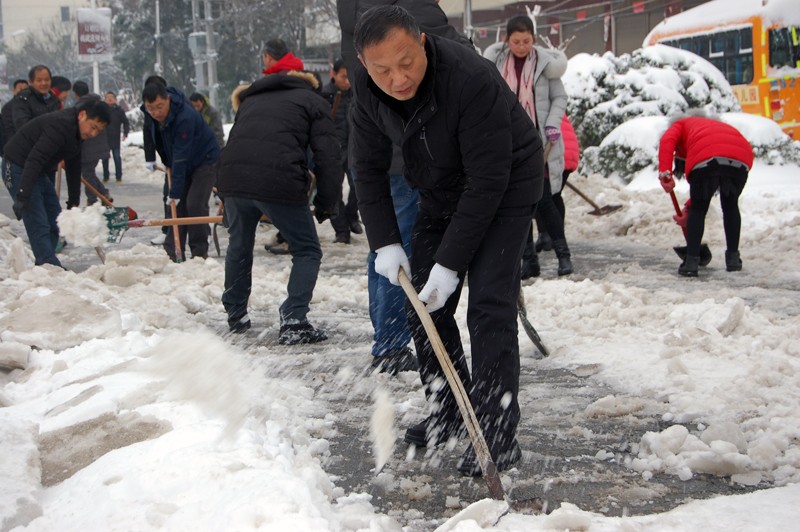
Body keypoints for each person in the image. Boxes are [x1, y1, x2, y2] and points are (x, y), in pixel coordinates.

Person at [350, 5, 544, 475]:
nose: (396, 78)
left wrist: (453, 261)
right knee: (422, 300)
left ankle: (497, 432)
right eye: (381, 70)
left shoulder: (468, 77)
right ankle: (451, 410)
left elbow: (488, 181)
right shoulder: (366, 91)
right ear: (364, 66)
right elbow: (367, 169)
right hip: (440, 186)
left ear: (422, 42)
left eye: (405, 62)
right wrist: (385, 242)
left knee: (488, 304)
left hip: (507, 181)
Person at [337, 0, 470, 375]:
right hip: (411, 153)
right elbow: (453, 57)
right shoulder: (409, 12)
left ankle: (388, 338)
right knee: (407, 251)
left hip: (379, 155)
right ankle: (392, 344)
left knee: (388, 249)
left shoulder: (355, 15)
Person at [217, 72, 340, 344]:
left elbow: (237, 143)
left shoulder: (251, 100)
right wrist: (327, 204)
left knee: (239, 243)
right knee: (307, 249)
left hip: (233, 179)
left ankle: (235, 313)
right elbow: (329, 155)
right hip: (278, 178)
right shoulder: (312, 100)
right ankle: (294, 319)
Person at [486, 15, 573, 278]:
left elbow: (560, 97)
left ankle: (563, 256)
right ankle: (528, 260)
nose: (521, 46)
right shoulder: (497, 63)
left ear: (533, 40)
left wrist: (553, 124)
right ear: (506, 40)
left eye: (526, 41)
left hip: (539, 141)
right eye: (516, 41)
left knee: (544, 200)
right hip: (508, 142)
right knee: (517, 204)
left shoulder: (544, 65)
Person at [3, 98, 110, 267]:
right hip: (17, 166)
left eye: (99, 131)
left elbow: (74, 166)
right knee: (38, 220)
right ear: (82, 115)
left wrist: (73, 203)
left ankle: (46, 261)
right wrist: (23, 195)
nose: (93, 134)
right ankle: (48, 263)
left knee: (56, 222)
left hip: (37, 170)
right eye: (93, 127)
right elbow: (36, 158)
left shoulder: (77, 132)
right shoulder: (61, 125)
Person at [658, 114, 753, 277]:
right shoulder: (711, 127)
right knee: (730, 206)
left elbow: (667, 141)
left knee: (698, 210)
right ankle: (733, 260)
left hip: (708, 159)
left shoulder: (680, 124)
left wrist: (665, 172)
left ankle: (691, 262)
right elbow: (711, 184)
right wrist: (688, 206)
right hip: (741, 159)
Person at [141, 82, 219, 261]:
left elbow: (181, 156)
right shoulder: (151, 114)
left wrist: (174, 191)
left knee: (194, 204)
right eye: (151, 108)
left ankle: (199, 252)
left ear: (167, 99)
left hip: (204, 160)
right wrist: (150, 157)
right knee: (177, 206)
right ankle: (173, 251)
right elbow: (151, 133)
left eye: (160, 107)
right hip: (181, 160)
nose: (156, 112)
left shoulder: (185, 116)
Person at [320, 58, 362, 244]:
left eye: (349, 77)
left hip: (355, 149)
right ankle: (341, 230)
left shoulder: (357, 93)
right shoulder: (324, 95)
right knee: (333, 192)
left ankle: (352, 216)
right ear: (334, 74)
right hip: (333, 151)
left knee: (359, 187)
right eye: (343, 77)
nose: (347, 81)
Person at [536, 113, 579, 253]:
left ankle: (547, 235)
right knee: (555, 195)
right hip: (570, 154)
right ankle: (556, 235)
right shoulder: (556, 110)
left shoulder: (540, 108)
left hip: (556, 153)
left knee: (540, 196)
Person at [73, 81, 112, 206]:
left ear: (75, 93)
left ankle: (93, 200)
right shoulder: (98, 105)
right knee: (89, 173)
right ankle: (104, 193)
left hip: (88, 147)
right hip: (99, 146)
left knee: (87, 175)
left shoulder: (80, 107)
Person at [9, 65, 59, 139]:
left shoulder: (52, 98)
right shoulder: (23, 99)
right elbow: (23, 127)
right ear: (31, 82)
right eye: (39, 80)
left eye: (47, 79)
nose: (44, 83)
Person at [102, 91, 130, 182]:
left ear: (115, 99)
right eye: (107, 97)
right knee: (105, 158)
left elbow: (126, 122)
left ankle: (119, 176)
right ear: (105, 100)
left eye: (111, 97)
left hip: (115, 137)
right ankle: (106, 176)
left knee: (117, 157)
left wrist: (125, 133)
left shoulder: (119, 110)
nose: (110, 99)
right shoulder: (102, 110)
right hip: (104, 137)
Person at [1, 79, 29, 156]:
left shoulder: (31, 104)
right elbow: (8, 129)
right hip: (14, 145)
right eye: (20, 88)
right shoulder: (8, 107)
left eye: (25, 89)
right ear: (14, 90)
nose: (22, 91)